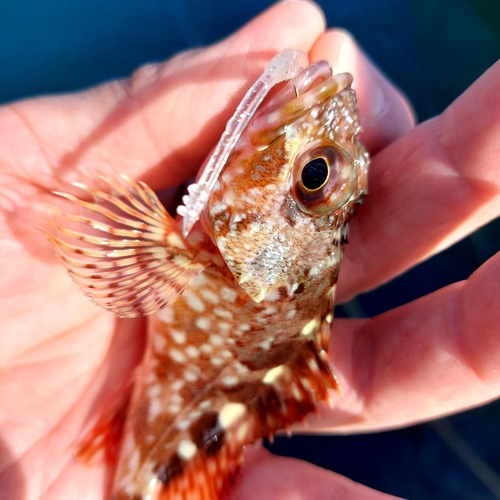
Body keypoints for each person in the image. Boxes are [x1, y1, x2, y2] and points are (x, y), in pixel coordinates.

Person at [0, 1, 498, 498]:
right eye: (317, 175)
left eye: (313, 176)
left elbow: (83, 228)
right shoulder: (206, 254)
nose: (335, 100)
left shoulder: (187, 255)